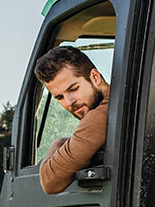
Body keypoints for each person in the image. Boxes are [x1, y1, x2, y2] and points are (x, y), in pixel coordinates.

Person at [33, 46, 110, 194]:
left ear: (95, 77)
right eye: (60, 97)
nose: (69, 102)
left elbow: (49, 181)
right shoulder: (122, 100)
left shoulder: (100, 115)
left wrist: (60, 142)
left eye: (73, 89)